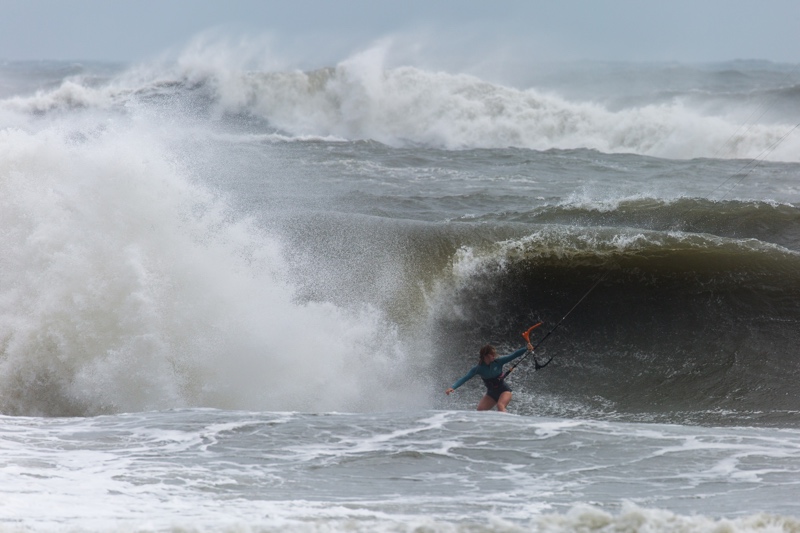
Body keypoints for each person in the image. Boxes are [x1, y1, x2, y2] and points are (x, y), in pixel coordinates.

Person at [445, 341, 534, 412]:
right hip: (491, 394)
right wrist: (452, 387)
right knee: (480, 410)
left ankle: (505, 427)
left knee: (500, 406)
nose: (494, 356)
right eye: (492, 354)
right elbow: (465, 378)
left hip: (504, 391)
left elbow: (513, 355)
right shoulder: (478, 369)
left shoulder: (498, 361)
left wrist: (526, 348)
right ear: (485, 356)